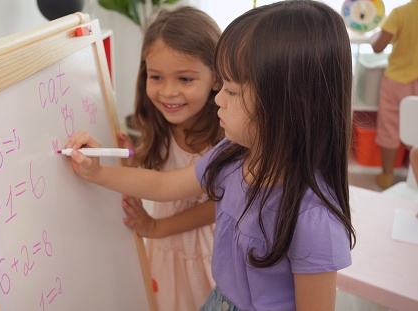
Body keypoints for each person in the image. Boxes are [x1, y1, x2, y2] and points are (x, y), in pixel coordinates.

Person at [65, 0, 356, 310]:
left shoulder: (314, 221)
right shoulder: (232, 156)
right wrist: (97, 173)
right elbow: (165, 186)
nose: (217, 98)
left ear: (284, 105)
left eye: (230, 91)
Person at [115, 6, 223, 311]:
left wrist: (155, 228)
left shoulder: (224, 140)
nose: (168, 92)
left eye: (185, 79)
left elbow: (220, 206)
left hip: (207, 257)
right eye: (157, 77)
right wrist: (128, 167)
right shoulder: (157, 129)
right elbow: (153, 178)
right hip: (162, 253)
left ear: (216, 78)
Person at [370, 0, 418, 189]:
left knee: (390, 126)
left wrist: (374, 36)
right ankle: (413, 175)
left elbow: (378, 46)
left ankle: (387, 175)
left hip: (398, 80)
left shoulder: (400, 13)